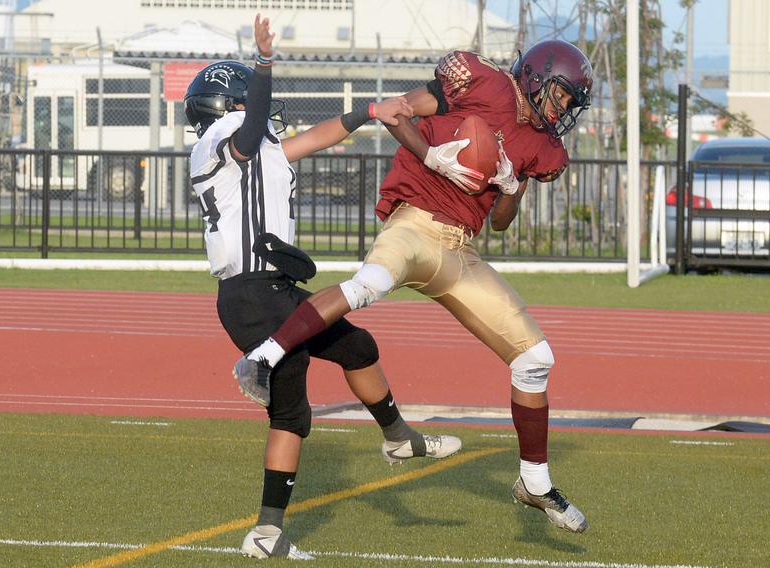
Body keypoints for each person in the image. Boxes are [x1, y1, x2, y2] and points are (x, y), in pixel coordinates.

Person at [236, 39, 594, 534]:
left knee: (535, 360)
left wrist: (510, 188)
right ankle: (263, 356)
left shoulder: (544, 148)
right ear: (536, 75)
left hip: (459, 249)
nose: (563, 108)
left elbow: (502, 224)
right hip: (414, 221)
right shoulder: (483, 81)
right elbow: (398, 112)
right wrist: (433, 156)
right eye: (562, 95)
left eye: (571, 101)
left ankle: (534, 481)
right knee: (369, 284)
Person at [186, 14, 461, 560]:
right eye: (247, 100)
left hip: (273, 290)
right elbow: (251, 125)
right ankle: (266, 531)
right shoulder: (222, 139)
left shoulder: (257, 154)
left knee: (358, 347)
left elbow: (313, 138)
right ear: (228, 107)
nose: (260, 111)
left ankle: (398, 436)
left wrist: (369, 111)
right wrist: (264, 63)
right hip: (252, 294)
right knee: (292, 414)